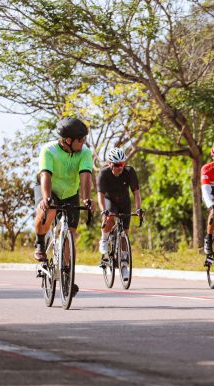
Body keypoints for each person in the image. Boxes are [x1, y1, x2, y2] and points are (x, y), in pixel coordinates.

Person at [34, 117, 95, 294]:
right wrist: (46, 198)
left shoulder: (84, 152)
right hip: (48, 188)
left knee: (71, 232)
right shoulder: (49, 150)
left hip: (70, 192)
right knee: (50, 209)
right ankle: (39, 242)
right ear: (68, 140)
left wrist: (86, 199)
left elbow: (85, 176)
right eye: (81, 139)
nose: (83, 142)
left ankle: (66, 274)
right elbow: (45, 175)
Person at [97, 147, 143, 257]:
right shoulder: (104, 173)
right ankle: (104, 240)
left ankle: (123, 262)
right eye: (116, 165)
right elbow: (100, 195)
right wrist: (103, 211)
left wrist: (138, 209)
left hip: (124, 201)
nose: (119, 168)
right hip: (110, 200)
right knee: (110, 218)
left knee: (124, 233)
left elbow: (136, 192)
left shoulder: (129, 171)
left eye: (122, 164)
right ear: (110, 164)